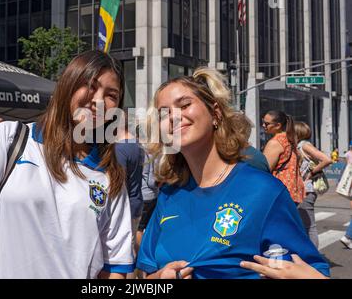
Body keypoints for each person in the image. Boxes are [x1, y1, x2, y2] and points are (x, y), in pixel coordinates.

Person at [0, 50, 134, 279]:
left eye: (111, 95)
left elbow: (114, 269)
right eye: (91, 85)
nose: (98, 100)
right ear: (68, 85)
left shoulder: (111, 178)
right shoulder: (9, 139)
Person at [136, 67, 329, 279]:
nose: (173, 117)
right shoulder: (168, 195)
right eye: (164, 113)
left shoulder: (263, 191)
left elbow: (309, 272)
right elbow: (147, 274)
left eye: (184, 105)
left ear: (215, 113)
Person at [295, 122, 332, 249]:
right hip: (303, 188)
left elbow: (327, 159)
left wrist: (311, 172)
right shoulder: (300, 145)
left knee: (309, 226)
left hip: (307, 188)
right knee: (303, 224)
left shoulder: (304, 145)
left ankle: (313, 257)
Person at [115, 109, 144, 253]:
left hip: (125, 206)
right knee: (130, 247)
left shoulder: (120, 148)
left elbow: (119, 183)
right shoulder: (137, 144)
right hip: (137, 201)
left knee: (124, 253)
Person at [262, 111, 305, 205]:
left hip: (278, 190)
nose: (263, 125)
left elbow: (265, 168)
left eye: (266, 124)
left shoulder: (275, 143)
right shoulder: (290, 139)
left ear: (278, 125)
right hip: (292, 188)